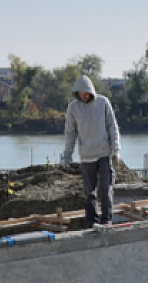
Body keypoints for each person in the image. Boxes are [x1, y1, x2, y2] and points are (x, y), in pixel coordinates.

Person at [60, 75, 121, 228]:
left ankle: (107, 219)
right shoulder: (73, 108)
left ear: (91, 91)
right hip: (87, 156)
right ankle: (91, 220)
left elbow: (112, 126)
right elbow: (70, 132)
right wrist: (67, 155)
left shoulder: (103, 102)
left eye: (85, 93)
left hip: (104, 153)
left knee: (106, 188)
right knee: (89, 191)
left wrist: (116, 148)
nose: (83, 96)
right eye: (80, 94)